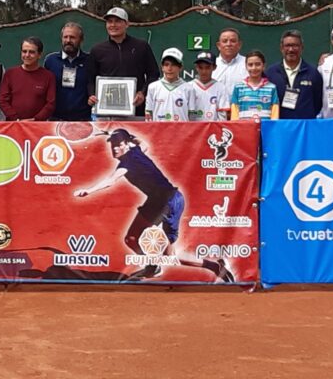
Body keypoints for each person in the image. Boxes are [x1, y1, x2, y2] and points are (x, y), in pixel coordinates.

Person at [73, 129, 234, 283]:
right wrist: (118, 135)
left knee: (134, 239)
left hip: (164, 202)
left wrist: (88, 190)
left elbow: (111, 181)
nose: (114, 148)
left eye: (118, 144)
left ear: (126, 144)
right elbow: (143, 143)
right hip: (172, 199)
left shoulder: (128, 162)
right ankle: (214, 266)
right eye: (112, 144)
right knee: (168, 253)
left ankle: (153, 265)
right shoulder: (138, 150)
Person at [86, 7, 160, 118]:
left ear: (127, 24)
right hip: (106, 113)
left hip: (136, 111)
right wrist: (91, 94)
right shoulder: (97, 50)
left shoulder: (141, 46)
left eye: (118, 21)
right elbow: (89, 78)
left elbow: (153, 74)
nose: (113, 25)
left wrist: (142, 93)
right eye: (109, 21)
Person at [265, 30, 323, 119]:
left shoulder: (313, 73)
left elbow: (317, 103)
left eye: (295, 45)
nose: (291, 50)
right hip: (279, 127)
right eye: (287, 45)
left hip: (304, 127)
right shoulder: (270, 73)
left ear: (302, 48)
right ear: (281, 48)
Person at [0, 36, 56, 121]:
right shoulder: (10, 74)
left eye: (32, 52)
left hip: (38, 127)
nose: (27, 55)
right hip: (14, 125)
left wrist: (35, 120)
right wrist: (15, 119)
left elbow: (51, 103)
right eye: (24, 51)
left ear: (40, 54)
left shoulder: (49, 76)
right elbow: (3, 100)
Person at [44, 22, 91, 121]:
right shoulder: (50, 60)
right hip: (55, 119)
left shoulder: (90, 60)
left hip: (83, 119)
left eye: (72, 37)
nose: (68, 40)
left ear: (81, 40)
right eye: (65, 37)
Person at [145, 48, 194, 122]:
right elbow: (148, 115)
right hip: (159, 131)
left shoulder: (189, 88)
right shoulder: (153, 87)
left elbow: (192, 118)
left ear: (180, 67)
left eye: (173, 65)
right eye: (166, 64)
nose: (169, 68)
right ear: (162, 67)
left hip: (182, 132)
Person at [230, 50, 279, 121]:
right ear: (246, 66)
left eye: (258, 64)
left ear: (264, 66)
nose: (254, 68)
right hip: (244, 129)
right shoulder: (238, 88)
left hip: (265, 129)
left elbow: (275, 114)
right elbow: (234, 114)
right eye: (250, 65)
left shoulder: (271, 88)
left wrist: (273, 128)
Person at [212, 28, 247, 115]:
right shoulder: (210, 65)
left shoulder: (248, 64)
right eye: (224, 41)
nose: (228, 44)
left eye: (233, 41)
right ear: (218, 45)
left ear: (239, 45)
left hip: (242, 114)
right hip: (215, 116)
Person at [189, 51, 229, 121]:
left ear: (214, 67)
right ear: (196, 67)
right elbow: (187, 113)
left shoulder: (221, 88)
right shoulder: (188, 87)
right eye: (200, 67)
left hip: (214, 129)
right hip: (194, 129)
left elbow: (222, 115)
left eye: (207, 67)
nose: (204, 71)